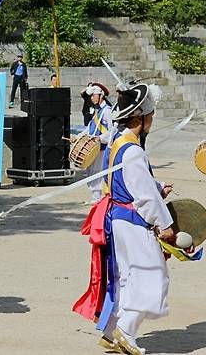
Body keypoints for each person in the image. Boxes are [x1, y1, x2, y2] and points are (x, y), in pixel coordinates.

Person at [73, 83, 175, 355]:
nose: (153, 119)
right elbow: (143, 196)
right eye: (150, 115)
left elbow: (132, 182)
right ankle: (126, 331)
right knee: (152, 276)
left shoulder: (119, 143)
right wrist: (165, 225)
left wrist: (158, 185)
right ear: (141, 118)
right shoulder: (133, 151)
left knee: (126, 277)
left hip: (117, 219)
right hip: (132, 223)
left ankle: (110, 333)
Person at [79, 83, 112, 202]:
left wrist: (100, 138)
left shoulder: (107, 111)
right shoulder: (97, 111)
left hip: (101, 147)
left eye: (93, 95)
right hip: (94, 146)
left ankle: (99, 197)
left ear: (100, 95)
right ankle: (95, 196)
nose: (91, 98)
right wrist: (78, 137)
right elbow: (90, 127)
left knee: (98, 172)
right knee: (91, 171)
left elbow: (112, 131)